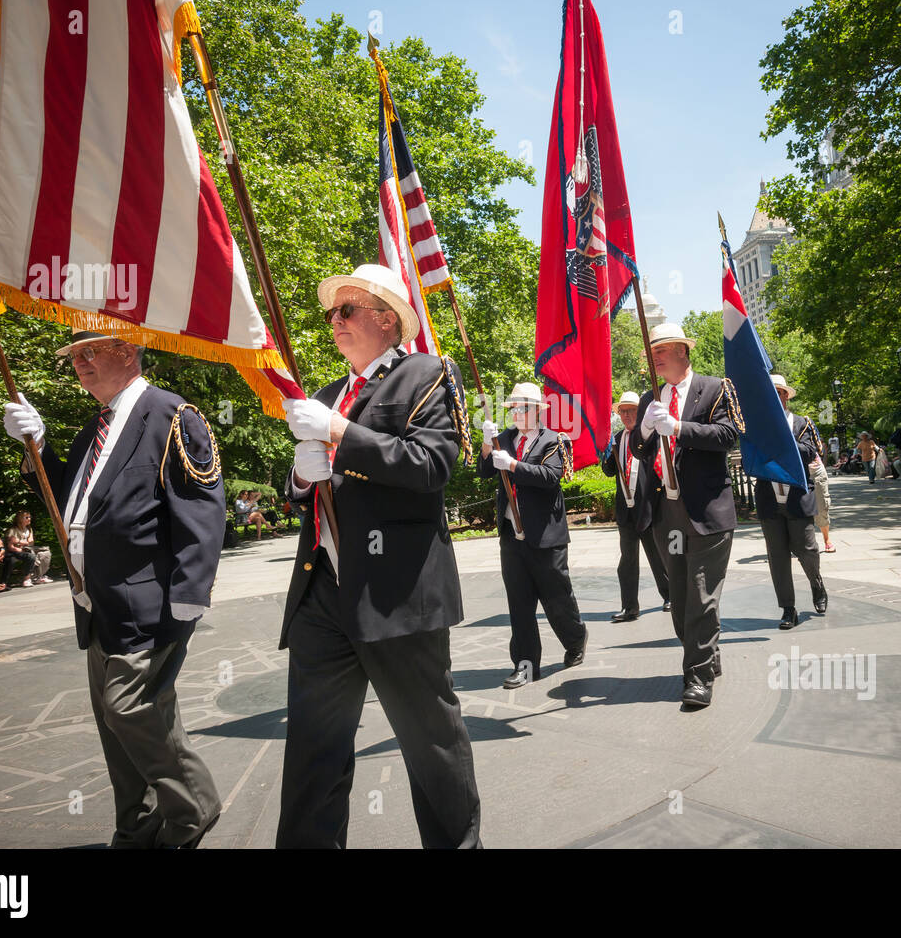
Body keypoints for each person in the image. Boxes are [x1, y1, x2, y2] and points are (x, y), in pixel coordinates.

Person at [279, 263, 481, 848]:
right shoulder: (326, 396)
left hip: (398, 593)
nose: (333, 322)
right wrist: (298, 473)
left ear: (386, 320)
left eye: (347, 311)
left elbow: (433, 466)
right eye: (331, 314)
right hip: (323, 592)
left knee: (429, 743)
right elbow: (299, 493)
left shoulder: (426, 375)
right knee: (315, 745)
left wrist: (342, 436)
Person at [3, 330, 225, 848]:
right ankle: (136, 828)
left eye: (88, 353)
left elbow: (200, 510)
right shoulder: (93, 429)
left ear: (127, 352)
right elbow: (64, 499)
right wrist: (35, 447)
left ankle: (194, 806)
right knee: (112, 724)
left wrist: (189, 593)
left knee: (131, 708)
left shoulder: (171, 415)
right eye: (73, 357)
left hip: (148, 601)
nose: (78, 364)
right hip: (96, 601)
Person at [631, 322, 741, 708]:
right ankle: (708, 656)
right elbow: (639, 450)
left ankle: (697, 677)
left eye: (662, 349)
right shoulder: (651, 397)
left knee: (700, 595)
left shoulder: (714, 388)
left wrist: (679, 427)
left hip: (706, 511)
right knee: (679, 598)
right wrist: (644, 431)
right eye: (653, 350)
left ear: (682, 350)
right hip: (667, 512)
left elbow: (729, 435)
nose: (655, 356)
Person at [479, 381, 588, 687]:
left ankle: (575, 638)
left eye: (521, 407)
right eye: (512, 408)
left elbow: (551, 477)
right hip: (511, 534)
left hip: (545, 535)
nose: (516, 413)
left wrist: (513, 465)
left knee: (557, 599)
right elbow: (485, 471)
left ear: (537, 411)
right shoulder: (503, 439)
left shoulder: (554, 440)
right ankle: (526, 665)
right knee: (520, 603)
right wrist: (488, 444)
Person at [754, 376, 828, 630]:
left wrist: (782, 438)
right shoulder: (757, 426)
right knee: (777, 558)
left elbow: (811, 452)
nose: (775, 397)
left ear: (786, 396)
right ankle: (788, 609)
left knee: (807, 550)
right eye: (770, 393)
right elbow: (750, 459)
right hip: (769, 501)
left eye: (779, 393)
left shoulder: (801, 423)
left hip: (798, 499)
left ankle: (817, 584)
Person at [601, 390, 671, 621]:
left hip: (647, 508)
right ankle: (629, 607)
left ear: (640, 412)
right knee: (627, 561)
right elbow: (609, 470)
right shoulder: (618, 438)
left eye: (631, 410)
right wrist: (605, 449)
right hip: (626, 510)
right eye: (623, 411)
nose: (627, 415)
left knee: (657, 557)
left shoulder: (647, 437)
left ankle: (670, 596)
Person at [6, 511, 52, 586]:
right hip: (17, 551)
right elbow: (10, 546)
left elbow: (31, 542)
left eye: (30, 517)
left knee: (45, 552)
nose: (29, 519)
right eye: (26, 517)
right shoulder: (13, 530)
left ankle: (40, 576)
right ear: (20, 519)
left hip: (28, 548)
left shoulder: (29, 529)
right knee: (31, 554)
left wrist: (21, 542)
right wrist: (21, 546)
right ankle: (31, 577)